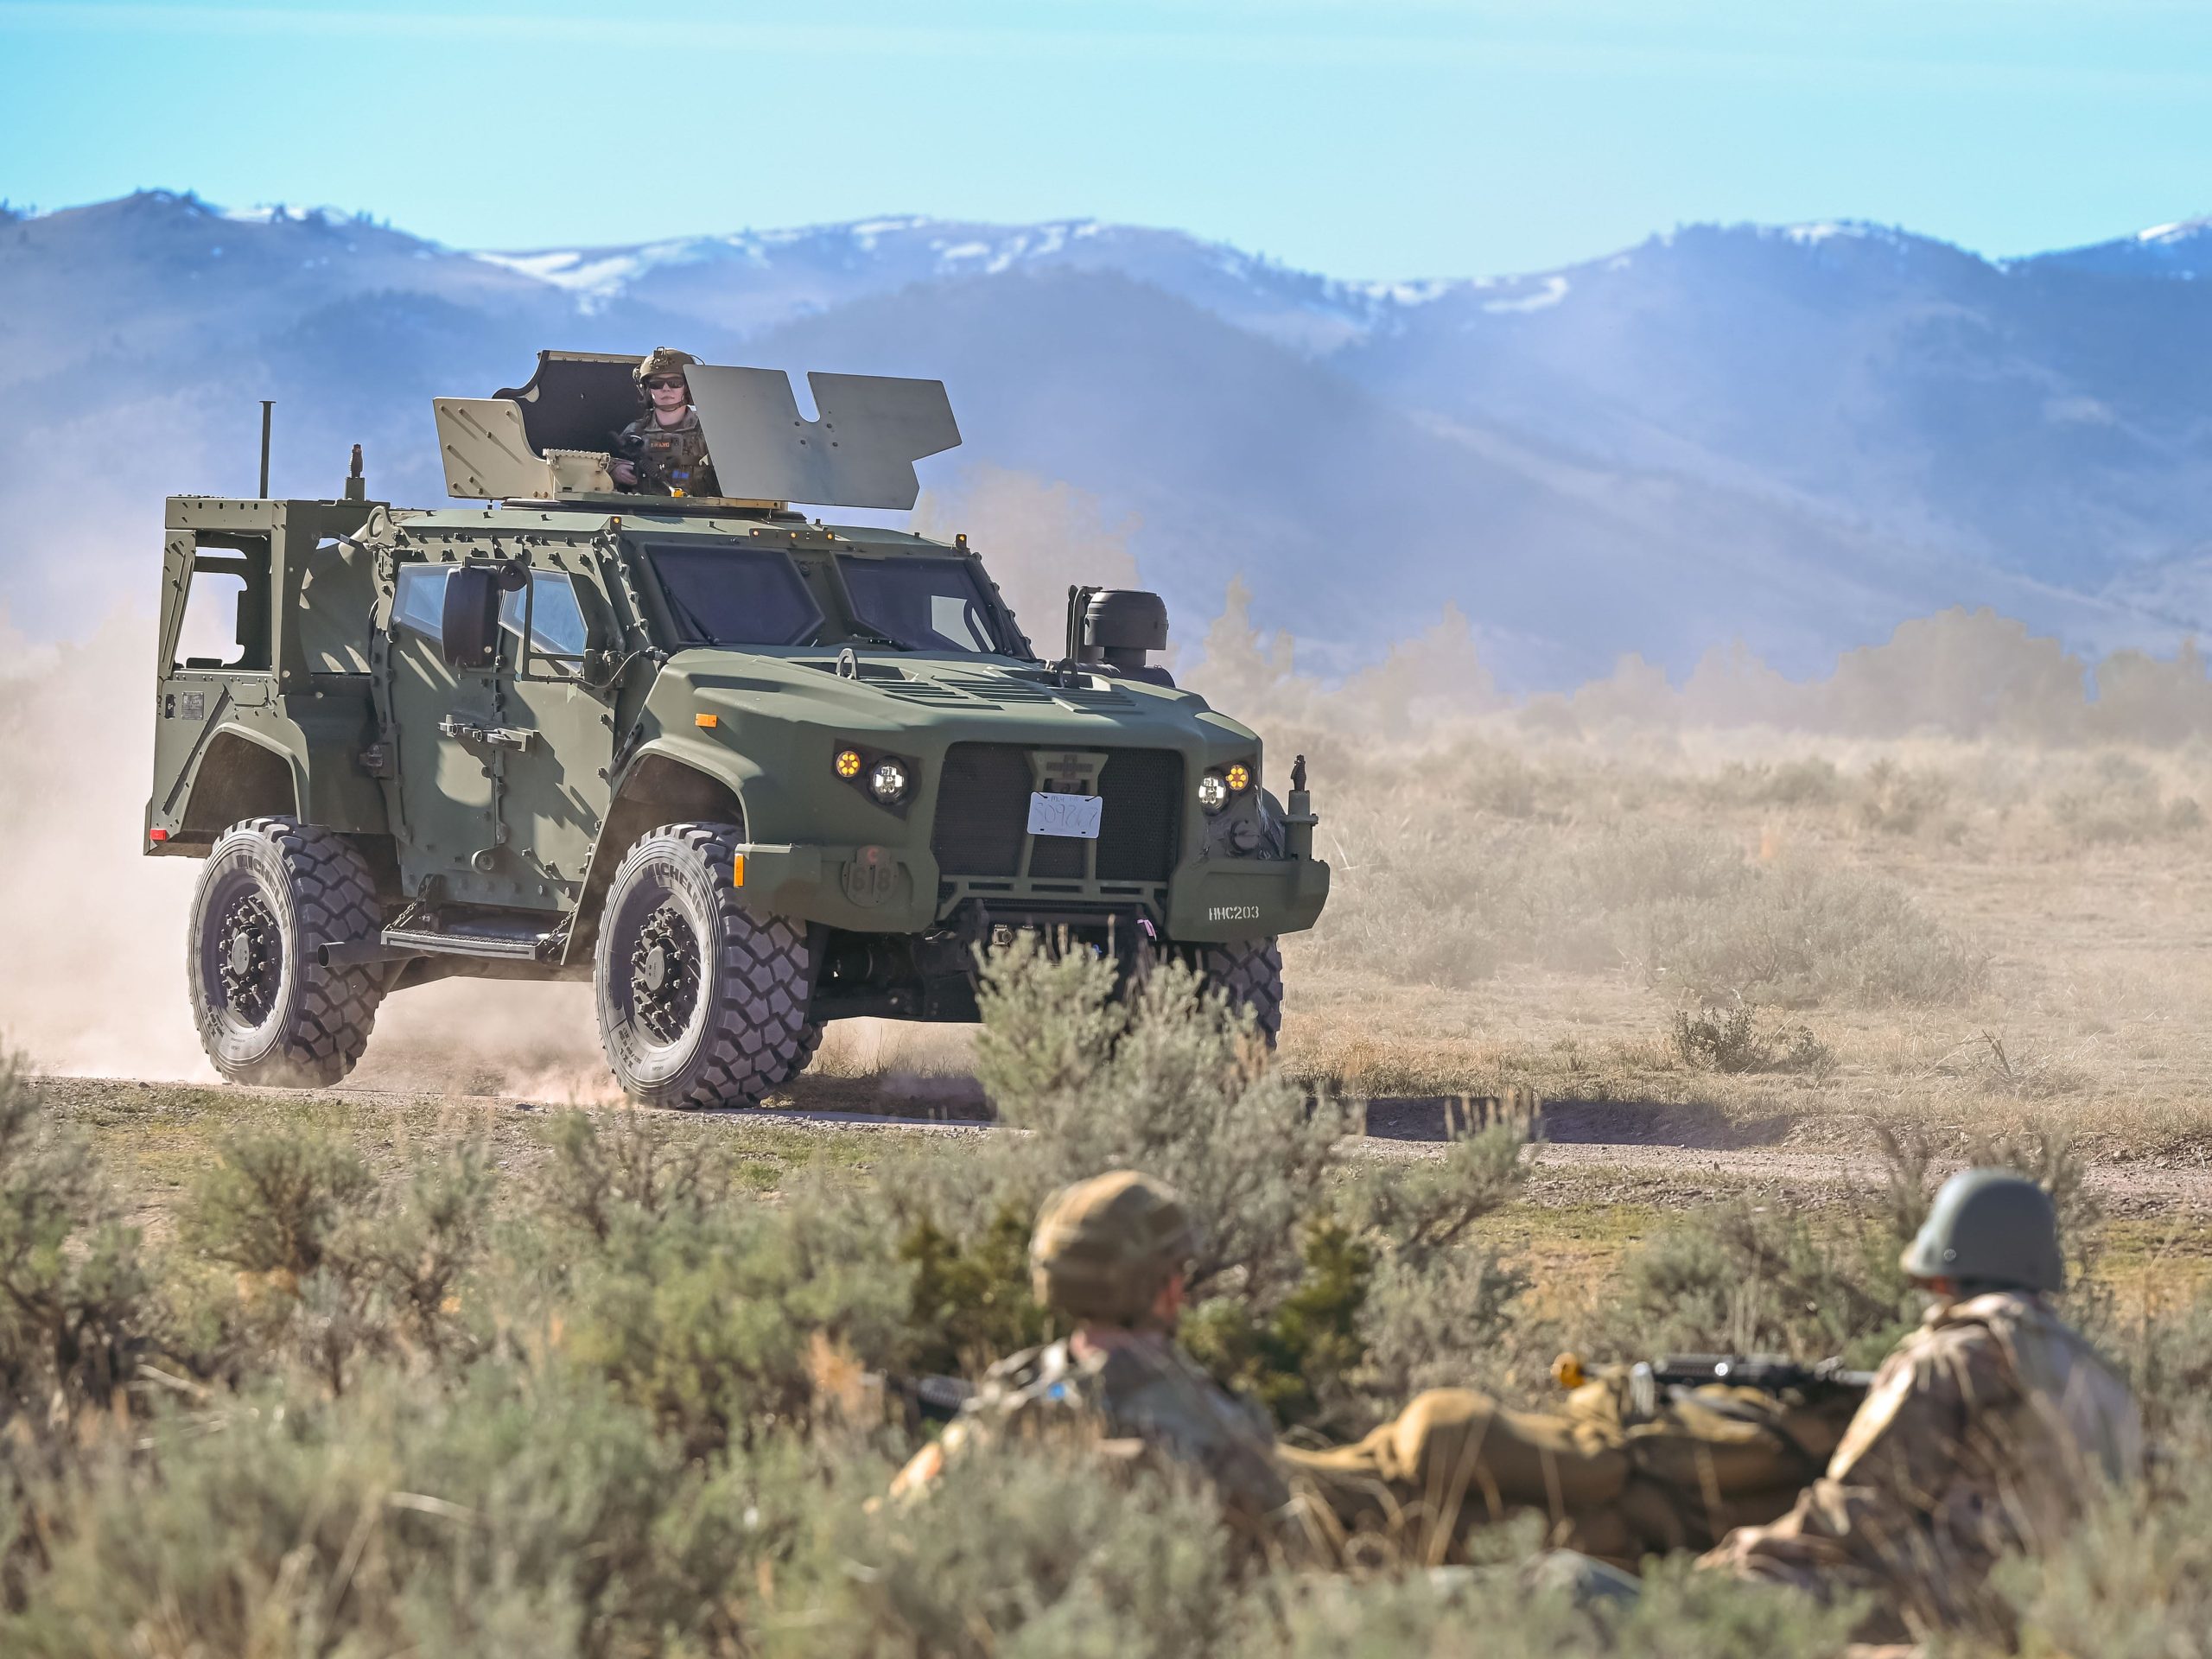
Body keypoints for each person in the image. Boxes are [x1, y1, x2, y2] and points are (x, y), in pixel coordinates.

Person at [891, 1169, 1864, 1567]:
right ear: (1161, 1287)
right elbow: (1300, 1563)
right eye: (1178, 1274)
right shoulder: (1196, 1420)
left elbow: (890, 1531)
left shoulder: (1018, 1393)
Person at [1700, 1168, 2144, 1643]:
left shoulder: (1946, 1358)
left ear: (1942, 1269)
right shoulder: (2094, 1368)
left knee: (1735, 1589)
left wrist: (1738, 1556)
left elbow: (1855, 1512)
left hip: (1959, 1609)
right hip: (2068, 1607)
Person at [611, 346, 720, 497]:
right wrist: (614, 472)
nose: (666, 389)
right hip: (646, 512)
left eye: (675, 383)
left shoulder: (710, 432)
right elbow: (602, 468)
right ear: (647, 389)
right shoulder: (634, 433)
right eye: (657, 384)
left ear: (687, 388)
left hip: (703, 513)